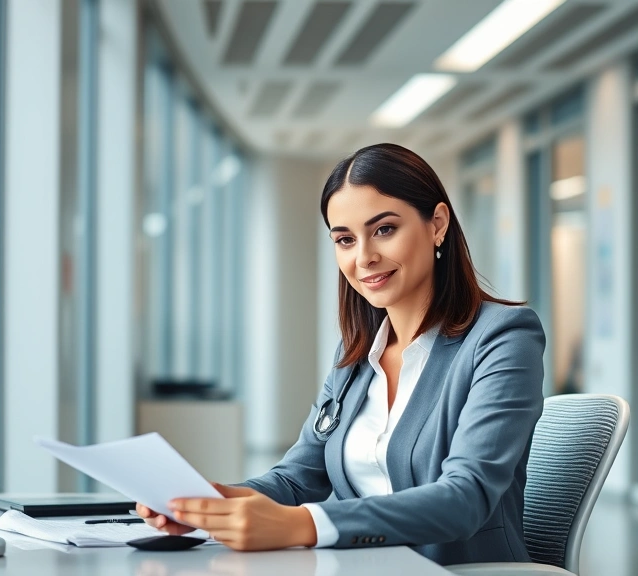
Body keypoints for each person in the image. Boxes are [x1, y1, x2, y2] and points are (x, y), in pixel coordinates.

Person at [136, 143, 545, 565]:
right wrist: (211, 504)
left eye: (384, 229)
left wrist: (303, 525)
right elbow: (297, 480)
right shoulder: (357, 357)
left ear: (437, 224)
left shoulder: (502, 337)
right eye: (345, 239)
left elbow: (465, 497)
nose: (364, 257)